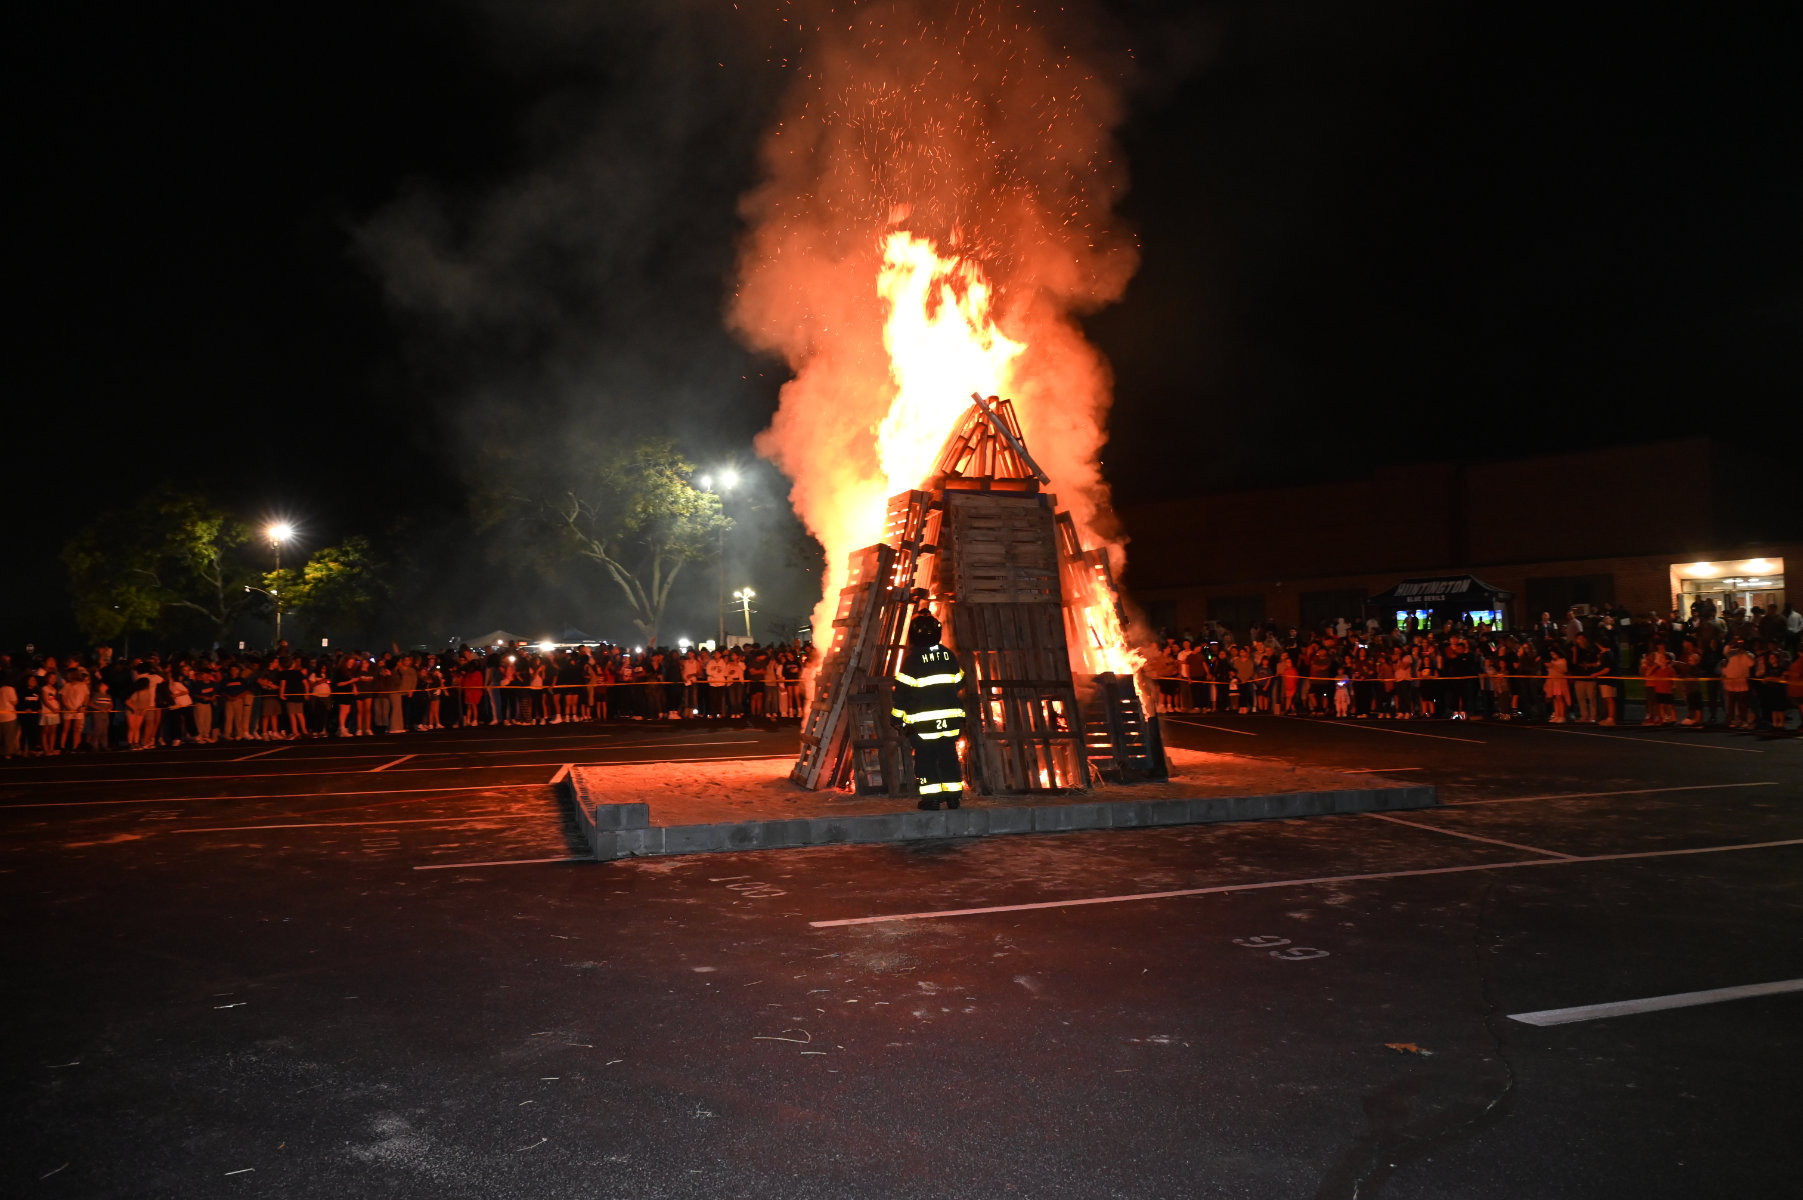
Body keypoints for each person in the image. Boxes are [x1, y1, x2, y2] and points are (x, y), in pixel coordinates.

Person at [890, 609, 967, 810]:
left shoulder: (912, 661)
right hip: (950, 723)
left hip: (924, 726)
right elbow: (960, 681)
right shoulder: (948, 655)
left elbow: (901, 694)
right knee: (949, 757)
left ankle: (931, 800)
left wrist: (896, 718)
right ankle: (953, 798)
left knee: (926, 759)